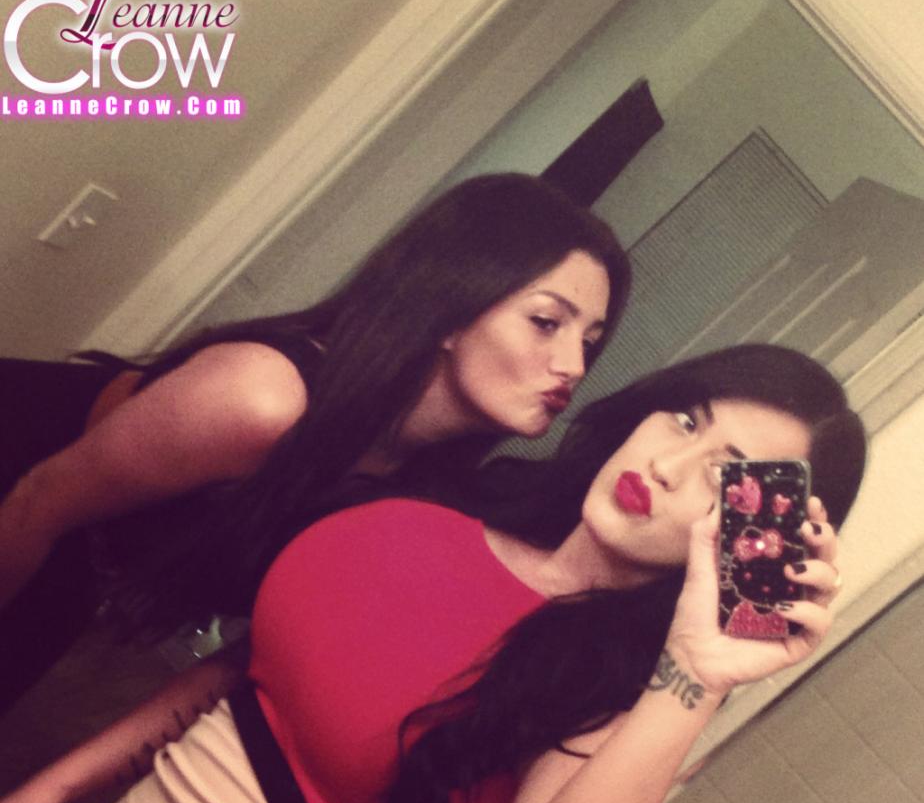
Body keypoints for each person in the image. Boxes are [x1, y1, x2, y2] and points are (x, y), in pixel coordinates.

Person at [0, 344, 865, 803]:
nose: (670, 465)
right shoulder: (464, 503)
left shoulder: (615, 695)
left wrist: (697, 676)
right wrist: (56, 788)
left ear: (756, 543)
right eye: (684, 420)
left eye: (727, 477)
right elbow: (245, 673)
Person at [0, 172, 628, 710]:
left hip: (71, 569)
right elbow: (35, 501)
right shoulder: (261, 398)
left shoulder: (415, 487)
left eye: (589, 342)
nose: (574, 365)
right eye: (546, 322)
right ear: (452, 305)